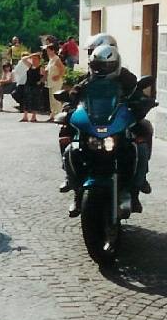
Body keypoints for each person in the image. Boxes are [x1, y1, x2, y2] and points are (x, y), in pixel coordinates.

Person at [59, 39, 154, 215]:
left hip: (117, 123)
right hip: (94, 124)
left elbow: (137, 92)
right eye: (97, 66)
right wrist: (69, 103)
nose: (101, 69)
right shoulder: (87, 79)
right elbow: (76, 93)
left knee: (142, 137)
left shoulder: (127, 78)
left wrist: (142, 103)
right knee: (69, 143)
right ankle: (74, 187)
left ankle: (138, 185)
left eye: (105, 66)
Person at [19, 52, 44, 122]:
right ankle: (25, 116)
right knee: (26, 100)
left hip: (36, 86)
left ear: (39, 60)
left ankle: (34, 116)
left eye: (35, 59)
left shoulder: (41, 68)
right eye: (32, 59)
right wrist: (30, 55)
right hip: (28, 84)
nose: (33, 60)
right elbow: (23, 59)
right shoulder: (30, 65)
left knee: (35, 101)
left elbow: (45, 76)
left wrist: (40, 81)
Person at [44, 43, 66, 118]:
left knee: (56, 99)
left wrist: (58, 76)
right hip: (50, 82)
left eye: (48, 51)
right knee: (52, 99)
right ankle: (53, 114)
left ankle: (59, 115)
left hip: (56, 82)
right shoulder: (51, 59)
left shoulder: (56, 59)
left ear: (53, 50)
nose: (47, 52)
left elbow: (63, 69)